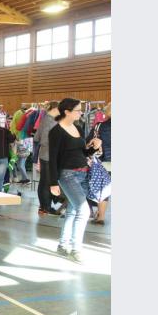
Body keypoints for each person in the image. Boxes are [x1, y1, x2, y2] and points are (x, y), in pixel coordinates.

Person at [49, 98, 102, 264]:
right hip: (67, 175)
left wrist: (93, 147)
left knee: (72, 211)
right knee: (84, 211)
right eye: (78, 110)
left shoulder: (78, 128)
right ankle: (75, 249)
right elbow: (52, 158)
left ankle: (63, 245)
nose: (81, 113)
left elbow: (82, 153)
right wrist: (52, 182)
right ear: (67, 112)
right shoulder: (56, 131)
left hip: (82, 174)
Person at [87, 103, 111, 225]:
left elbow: (89, 142)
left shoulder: (100, 126)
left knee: (104, 189)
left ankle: (101, 217)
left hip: (105, 162)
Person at [36, 101, 61, 215]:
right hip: (48, 156)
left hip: (45, 155)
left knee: (44, 182)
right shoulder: (50, 121)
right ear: (55, 109)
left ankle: (45, 206)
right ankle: (46, 207)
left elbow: (36, 137)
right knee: (46, 182)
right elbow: (44, 140)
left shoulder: (46, 119)